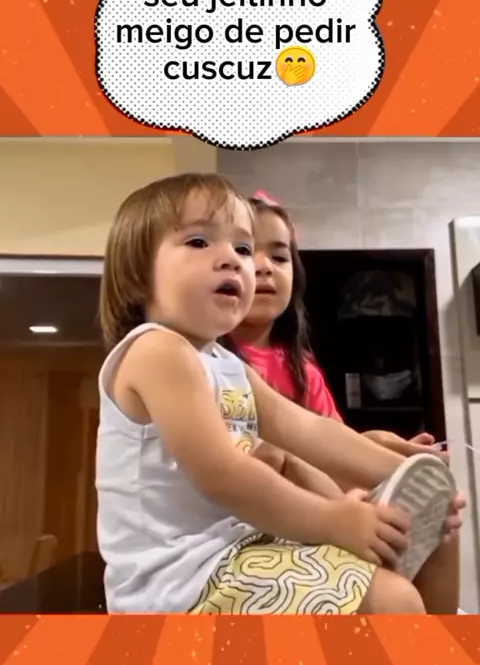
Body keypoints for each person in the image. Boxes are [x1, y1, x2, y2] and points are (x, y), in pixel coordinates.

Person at [96, 172, 457, 618]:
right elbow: (224, 474)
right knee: (392, 600)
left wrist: (411, 474)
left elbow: (309, 430)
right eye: (199, 242)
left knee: (419, 557)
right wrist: (333, 521)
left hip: (229, 553)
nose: (232, 260)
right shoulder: (156, 351)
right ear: (137, 274)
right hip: (174, 581)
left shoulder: (227, 367)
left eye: (242, 248)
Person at [225, 193, 462, 610]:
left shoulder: (302, 368)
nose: (263, 266)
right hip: (265, 518)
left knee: (441, 527)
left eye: (279, 257)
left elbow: (328, 441)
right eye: (246, 251)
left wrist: (389, 451)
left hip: (322, 499)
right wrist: (344, 507)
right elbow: (274, 459)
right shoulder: (214, 366)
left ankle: (440, 646)